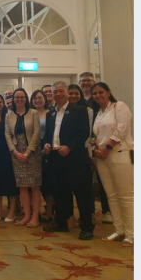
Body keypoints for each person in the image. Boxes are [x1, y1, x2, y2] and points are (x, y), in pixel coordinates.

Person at [42, 82, 95, 240]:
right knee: (60, 193)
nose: (57, 94)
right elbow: (49, 135)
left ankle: (86, 227)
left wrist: (70, 147)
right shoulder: (50, 113)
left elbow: (84, 132)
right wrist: (46, 144)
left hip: (75, 158)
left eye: (61, 91)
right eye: (54, 92)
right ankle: (61, 222)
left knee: (81, 194)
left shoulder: (79, 110)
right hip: (55, 158)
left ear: (67, 92)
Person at [91, 82, 134, 247]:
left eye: (101, 92)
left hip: (120, 154)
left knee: (126, 195)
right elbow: (97, 135)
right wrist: (96, 149)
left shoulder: (119, 106)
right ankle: (119, 230)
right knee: (111, 195)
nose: (97, 96)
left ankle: (131, 234)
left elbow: (122, 129)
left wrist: (108, 148)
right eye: (94, 94)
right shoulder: (99, 113)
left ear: (108, 92)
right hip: (103, 157)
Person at [69, 83, 109, 224]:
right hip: (67, 153)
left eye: (76, 94)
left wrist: (90, 153)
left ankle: (89, 214)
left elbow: (89, 132)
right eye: (71, 93)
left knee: (85, 187)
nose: (73, 96)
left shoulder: (88, 110)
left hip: (84, 151)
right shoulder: (63, 111)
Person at [5, 88, 43, 227]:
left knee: (34, 186)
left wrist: (27, 152)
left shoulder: (33, 113)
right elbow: (8, 135)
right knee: (22, 186)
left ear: (26, 99)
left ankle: (35, 217)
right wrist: (14, 152)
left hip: (32, 152)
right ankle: (26, 216)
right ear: (13, 100)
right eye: (17, 97)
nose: (19, 99)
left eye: (22, 97)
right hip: (16, 153)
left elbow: (37, 133)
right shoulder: (9, 115)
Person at [31, 90, 54, 223]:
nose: (38, 100)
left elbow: (52, 132)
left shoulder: (50, 114)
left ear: (45, 99)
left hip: (47, 149)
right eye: (35, 98)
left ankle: (49, 209)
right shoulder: (30, 113)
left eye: (40, 98)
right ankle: (35, 211)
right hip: (31, 149)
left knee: (46, 182)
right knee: (33, 183)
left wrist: (47, 147)